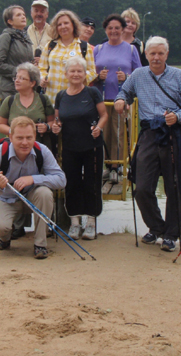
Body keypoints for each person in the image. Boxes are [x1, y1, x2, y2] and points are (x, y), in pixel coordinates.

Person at [115, 36, 181, 252]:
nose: (156, 57)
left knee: (174, 186)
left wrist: (178, 117)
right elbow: (124, 92)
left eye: (160, 53)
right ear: (146, 55)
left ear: (166, 55)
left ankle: (171, 234)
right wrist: (120, 101)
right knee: (141, 186)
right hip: (149, 133)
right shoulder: (138, 75)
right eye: (152, 53)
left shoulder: (179, 76)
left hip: (173, 133)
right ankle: (157, 227)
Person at [0, 116, 67, 259]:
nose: (25, 143)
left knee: (45, 193)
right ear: (10, 136)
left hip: (31, 198)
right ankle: (4, 237)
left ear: (35, 136)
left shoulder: (42, 151)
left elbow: (61, 180)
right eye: (20, 138)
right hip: (6, 199)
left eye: (29, 137)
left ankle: (40, 244)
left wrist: (33, 179)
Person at [0, 62, 55, 239]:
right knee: (16, 183)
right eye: (16, 78)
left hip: (38, 152)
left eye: (22, 78)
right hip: (14, 152)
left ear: (33, 82)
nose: (17, 81)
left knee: (40, 187)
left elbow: (53, 123)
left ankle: (43, 229)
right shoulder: (10, 100)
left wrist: (46, 127)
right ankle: (17, 227)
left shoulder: (43, 100)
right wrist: (16, 134)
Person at [51, 56, 108, 240]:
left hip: (92, 146)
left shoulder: (92, 93)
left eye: (79, 71)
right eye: (72, 71)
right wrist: (56, 126)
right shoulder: (61, 95)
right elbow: (58, 119)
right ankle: (75, 224)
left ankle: (91, 222)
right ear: (66, 74)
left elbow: (104, 115)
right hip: (69, 147)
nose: (76, 74)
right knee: (72, 184)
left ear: (85, 74)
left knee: (92, 183)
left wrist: (99, 128)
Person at [92, 14, 142, 183]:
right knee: (104, 133)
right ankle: (106, 166)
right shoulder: (98, 49)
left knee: (119, 132)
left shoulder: (130, 49)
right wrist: (99, 76)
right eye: (110, 28)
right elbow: (90, 74)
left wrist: (126, 77)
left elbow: (139, 74)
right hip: (102, 99)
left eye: (117, 28)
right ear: (105, 30)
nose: (113, 31)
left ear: (122, 30)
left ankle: (117, 167)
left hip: (121, 100)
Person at [39, 9, 97, 103]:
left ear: (73, 25)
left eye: (66, 23)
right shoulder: (50, 46)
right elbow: (41, 68)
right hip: (51, 99)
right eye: (59, 24)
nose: (63, 26)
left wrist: (79, 79)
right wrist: (43, 78)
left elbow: (92, 71)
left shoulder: (84, 47)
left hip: (74, 99)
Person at [0, 5, 34, 99]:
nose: (23, 17)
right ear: (10, 21)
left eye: (24, 14)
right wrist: (19, 72)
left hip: (26, 89)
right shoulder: (6, 37)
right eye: (18, 15)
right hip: (9, 90)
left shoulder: (26, 38)